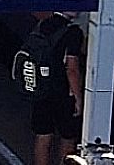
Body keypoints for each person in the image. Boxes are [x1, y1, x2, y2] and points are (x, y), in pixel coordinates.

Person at [24, 12, 86, 165]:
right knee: (67, 136)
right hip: (63, 93)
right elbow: (71, 69)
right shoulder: (74, 32)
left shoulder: (42, 25)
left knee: (43, 135)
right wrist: (79, 98)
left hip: (41, 89)